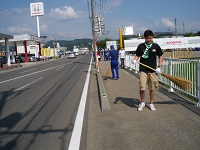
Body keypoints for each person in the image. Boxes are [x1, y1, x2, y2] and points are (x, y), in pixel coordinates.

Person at [132, 29, 163, 111]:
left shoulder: (156, 46)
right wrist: (134, 60)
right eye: (147, 38)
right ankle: (142, 102)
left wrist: (159, 66)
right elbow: (137, 55)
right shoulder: (141, 46)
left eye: (150, 38)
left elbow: (160, 56)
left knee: (152, 88)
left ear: (152, 37)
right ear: (144, 38)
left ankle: (151, 103)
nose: (149, 40)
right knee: (142, 87)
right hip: (143, 70)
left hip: (153, 71)